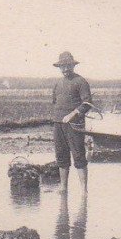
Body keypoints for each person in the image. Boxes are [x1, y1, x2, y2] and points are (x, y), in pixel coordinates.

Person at [51, 51, 93, 193]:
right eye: (62, 67)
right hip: (58, 123)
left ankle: (84, 191)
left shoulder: (80, 81)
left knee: (79, 155)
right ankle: (63, 187)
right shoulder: (57, 83)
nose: (65, 69)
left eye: (68, 66)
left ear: (73, 65)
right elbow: (55, 102)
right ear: (59, 67)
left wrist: (73, 114)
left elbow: (87, 103)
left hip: (75, 125)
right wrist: (59, 118)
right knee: (61, 156)